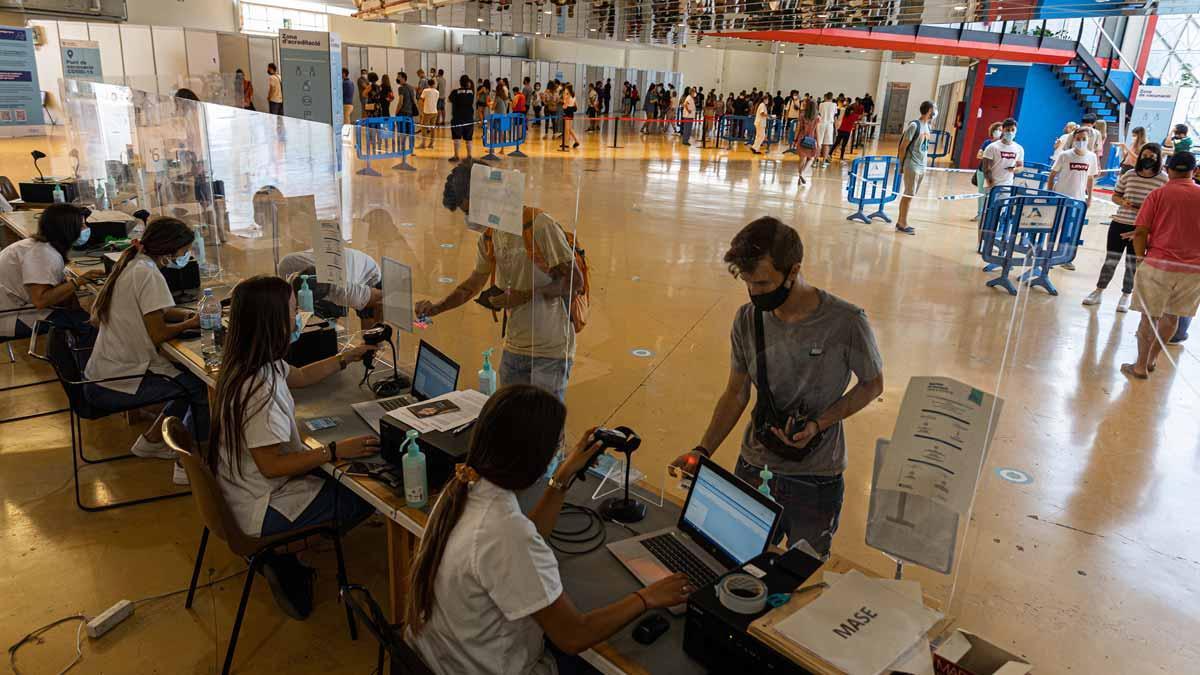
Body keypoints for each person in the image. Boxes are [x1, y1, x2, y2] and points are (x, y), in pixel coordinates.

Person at [405, 385, 690, 674]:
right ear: (533, 458)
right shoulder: (505, 532)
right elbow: (574, 636)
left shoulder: (462, 487)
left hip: (440, 660)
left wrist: (562, 478)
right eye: (557, 444)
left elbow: (525, 539)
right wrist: (648, 598)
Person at [669, 217, 883, 555]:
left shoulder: (846, 322)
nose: (755, 293)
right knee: (736, 557)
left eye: (764, 284)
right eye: (748, 283)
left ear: (793, 270)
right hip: (755, 467)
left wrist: (819, 424)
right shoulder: (746, 319)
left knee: (801, 573)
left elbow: (872, 384)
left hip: (816, 477)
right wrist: (704, 450)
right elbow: (736, 393)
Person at [208, 275, 377, 619]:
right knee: (363, 494)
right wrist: (333, 452)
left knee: (337, 475)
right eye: (292, 310)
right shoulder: (259, 389)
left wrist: (347, 357)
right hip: (260, 504)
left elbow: (299, 376)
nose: (298, 316)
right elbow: (271, 466)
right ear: (272, 321)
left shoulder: (247, 360)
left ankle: (284, 551)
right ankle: (277, 554)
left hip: (241, 489)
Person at [415, 160, 581, 400]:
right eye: (465, 212)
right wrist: (437, 308)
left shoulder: (539, 225)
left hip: (551, 349)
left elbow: (574, 282)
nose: (469, 218)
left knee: (545, 430)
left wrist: (524, 296)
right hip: (514, 346)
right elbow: (472, 284)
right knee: (510, 422)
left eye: (470, 210)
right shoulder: (490, 237)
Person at [83, 217, 208, 484]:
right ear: (170, 249)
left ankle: (151, 442)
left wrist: (188, 313)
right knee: (199, 389)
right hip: (117, 380)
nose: (186, 256)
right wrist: (191, 323)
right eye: (185, 251)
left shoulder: (135, 264)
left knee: (186, 381)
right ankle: (187, 464)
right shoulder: (149, 274)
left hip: (103, 372)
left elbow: (157, 311)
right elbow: (158, 333)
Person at [1122, 152, 1200, 379]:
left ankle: (1139, 365)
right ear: (1194, 171)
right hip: (1193, 269)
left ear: (1168, 169)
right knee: (1172, 317)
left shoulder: (1158, 195)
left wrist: (1140, 258)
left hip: (1159, 264)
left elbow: (1141, 231)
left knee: (1148, 317)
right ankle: (1153, 359)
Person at [1083, 143, 1167, 311]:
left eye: (1152, 157)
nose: (1147, 159)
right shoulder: (1130, 174)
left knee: (1132, 262)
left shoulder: (1163, 179)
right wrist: (1123, 202)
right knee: (1111, 259)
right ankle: (1099, 291)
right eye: (1145, 155)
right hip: (1120, 222)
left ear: (1158, 159)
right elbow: (1115, 196)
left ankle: (1126, 295)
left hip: (1142, 229)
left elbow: (1165, 205)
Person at [0, 204, 100, 341]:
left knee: (78, 312)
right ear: (67, 230)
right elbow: (41, 301)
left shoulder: (38, 245)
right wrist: (78, 282)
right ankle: (80, 361)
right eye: (81, 226)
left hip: (15, 305)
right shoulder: (41, 254)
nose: (86, 229)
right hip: (9, 315)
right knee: (88, 325)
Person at [279, 248, 382, 325]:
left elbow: (380, 298)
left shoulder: (344, 292)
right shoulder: (286, 266)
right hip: (339, 263)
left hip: (367, 275)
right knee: (320, 322)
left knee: (369, 321)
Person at [895, 101, 936, 236]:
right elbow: (903, 147)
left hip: (922, 164)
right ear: (929, 110)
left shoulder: (927, 126)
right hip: (912, 164)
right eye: (934, 109)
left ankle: (902, 221)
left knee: (911, 195)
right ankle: (902, 223)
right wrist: (901, 164)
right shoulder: (914, 125)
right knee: (908, 194)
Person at [971, 122, 1004, 221]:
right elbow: (979, 155)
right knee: (981, 193)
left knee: (993, 194)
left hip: (995, 173)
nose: (997, 131)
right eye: (996, 129)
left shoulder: (1002, 145)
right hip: (982, 171)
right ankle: (980, 214)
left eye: (1000, 130)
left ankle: (990, 215)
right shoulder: (987, 143)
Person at [980, 118, 1024, 191]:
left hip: (1007, 186)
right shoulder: (992, 147)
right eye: (1008, 130)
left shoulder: (1019, 148)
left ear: (1016, 131)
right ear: (1003, 130)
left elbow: (1021, 167)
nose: (1010, 132)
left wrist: (1015, 169)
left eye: (1013, 130)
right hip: (991, 185)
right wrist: (991, 184)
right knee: (987, 202)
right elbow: (986, 169)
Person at [448, 75, 475, 163]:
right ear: (468, 82)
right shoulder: (471, 92)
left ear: (460, 82)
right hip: (469, 118)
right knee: (468, 138)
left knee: (456, 137)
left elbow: (449, 100)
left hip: (457, 117)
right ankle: (469, 155)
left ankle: (456, 156)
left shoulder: (455, 92)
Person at [794, 99, 820, 185]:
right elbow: (817, 131)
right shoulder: (817, 117)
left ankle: (799, 177)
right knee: (811, 158)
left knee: (802, 159)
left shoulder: (802, 115)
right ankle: (803, 173)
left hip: (802, 138)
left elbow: (798, 128)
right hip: (811, 139)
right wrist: (818, 143)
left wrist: (795, 139)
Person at [817, 92, 838, 168]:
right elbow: (835, 118)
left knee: (819, 143)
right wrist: (836, 128)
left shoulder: (821, 104)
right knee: (826, 144)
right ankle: (823, 162)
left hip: (821, 124)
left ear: (825, 97)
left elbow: (818, 115)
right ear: (832, 97)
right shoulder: (834, 105)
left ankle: (815, 161)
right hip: (829, 125)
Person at [419, 79, 439, 149]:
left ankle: (423, 143)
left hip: (427, 111)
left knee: (424, 128)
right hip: (435, 111)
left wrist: (421, 111)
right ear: (433, 84)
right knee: (433, 128)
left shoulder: (425, 91)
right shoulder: (437, 92)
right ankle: (431, 144)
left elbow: (421, 100)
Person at [561, 84, 579, 149]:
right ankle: (576, 141)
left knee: (567, 129)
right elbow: (575, 105)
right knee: (569, 129)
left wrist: (564, 100)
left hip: (567, 111)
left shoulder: (568, 95)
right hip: (571, 112)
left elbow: (565, 105)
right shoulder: (573, 95)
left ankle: (567, 144)